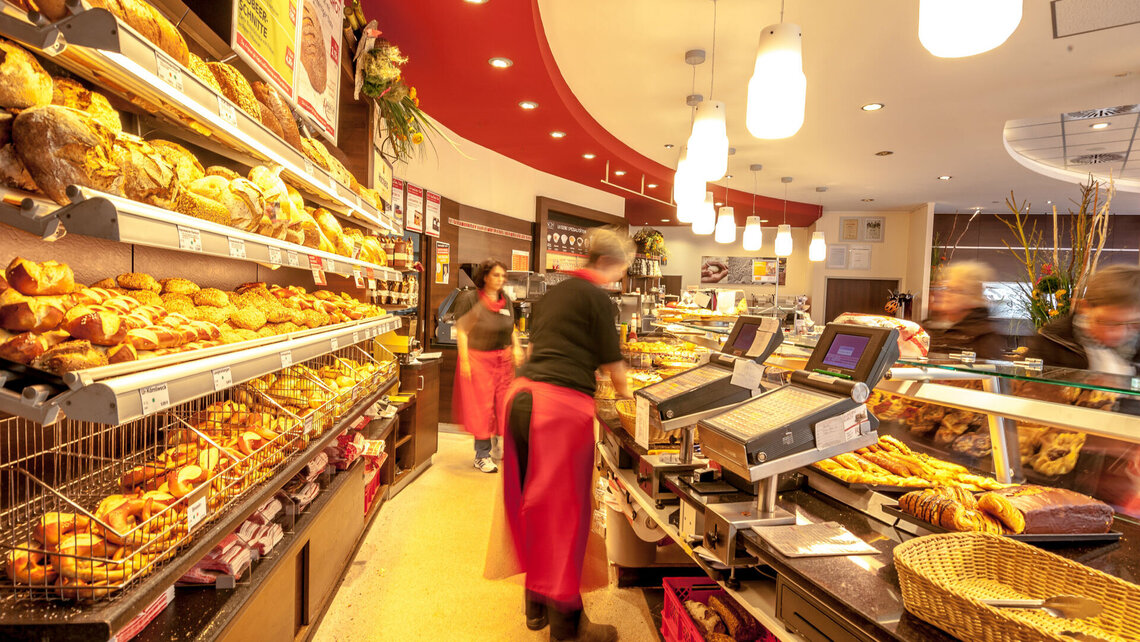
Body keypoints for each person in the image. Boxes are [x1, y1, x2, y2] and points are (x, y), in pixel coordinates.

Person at [490, 228, 632, 641]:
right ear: (614, 264)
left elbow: (537, 349)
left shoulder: (556, 292)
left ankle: (537, 608)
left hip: (521, 399)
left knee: (532, 507)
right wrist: (637, 399)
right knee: (564, 518)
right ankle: (568, 629)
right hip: (557, 410)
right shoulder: (598, 300)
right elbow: (617, 375)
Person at [453, 259, 524, 473]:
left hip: (503, 360)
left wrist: (517, 347)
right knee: (482, 409)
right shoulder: (470, 298)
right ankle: (481, 455)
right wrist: (464, 360)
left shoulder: (506, 300)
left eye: (503, 276)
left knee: (503, 406)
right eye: (496, 275)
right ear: (485, 277)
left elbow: (511, 327)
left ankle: (498, 446)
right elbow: (463, 331)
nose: (500, 280)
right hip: (479, 359)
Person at [1028, 264, 1140, 374]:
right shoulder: (1051, 343)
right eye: (1109, 322)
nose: (1120, 334)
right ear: (1084, 308)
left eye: (1134, 323)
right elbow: (1024, 386)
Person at [923, 261, 1006, 359]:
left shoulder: (983, 337)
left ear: (973, 297)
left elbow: (988, 372)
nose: (946, 294)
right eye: (946, 288)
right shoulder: (929, 328)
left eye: (955, 290)